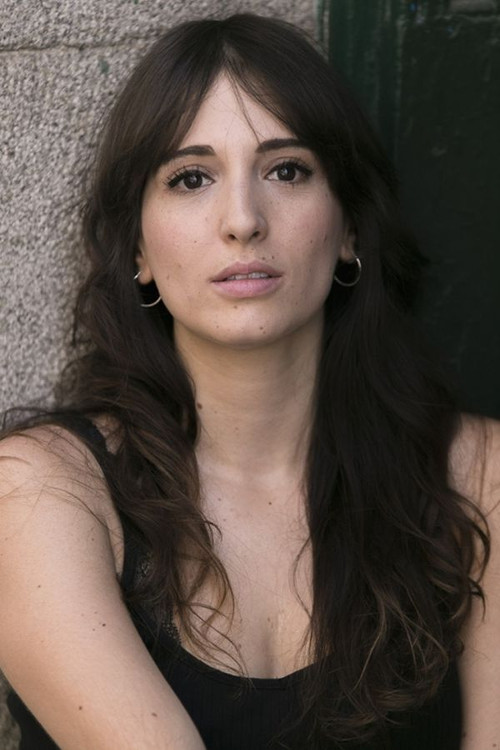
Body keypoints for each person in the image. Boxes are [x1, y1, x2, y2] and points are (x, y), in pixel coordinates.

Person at [0, 13, 498, 750]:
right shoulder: (39, 493)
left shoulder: (480, 479)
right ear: (137, 250)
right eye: (191, 178)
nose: (242, 220)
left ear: (350, 227)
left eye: (287, 170)